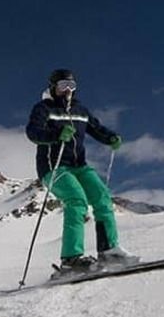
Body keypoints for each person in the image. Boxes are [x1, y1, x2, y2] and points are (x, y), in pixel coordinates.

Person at [25, 69, 137, 271]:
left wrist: (110, 138)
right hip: (54, 167)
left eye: (71, 86)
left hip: (79, 166)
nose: (67, 90)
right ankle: (70, 259)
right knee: (76, 200)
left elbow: (97, 128)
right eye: (62, 86)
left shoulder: (81, 111)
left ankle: (109, 250)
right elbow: (33, 132)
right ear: (52, 87)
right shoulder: (44, 108)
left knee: (102, 197)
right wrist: (56, 133)